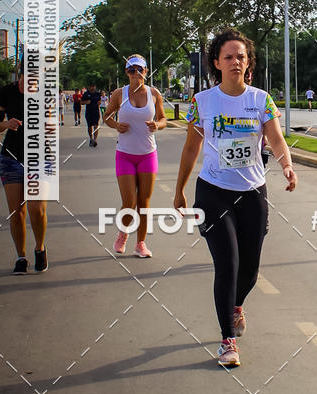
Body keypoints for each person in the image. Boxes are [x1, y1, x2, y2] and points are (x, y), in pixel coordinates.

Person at [174, 28, 297, 367]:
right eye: (228, 57)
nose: (235, 62)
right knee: (227, 265)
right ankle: (227, 341)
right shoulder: (202, 102)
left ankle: (236, 305)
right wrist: (180, 188)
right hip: (213, 192)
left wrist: (286, 165)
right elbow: (191, 148)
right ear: (216, 62)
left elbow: (275, 138)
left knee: (250, 270)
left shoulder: (261, 100)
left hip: (252, 192)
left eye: (240, 56)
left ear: (248, 62)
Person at [103, 55, 167, 258]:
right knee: (129, 201)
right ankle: (123, 233)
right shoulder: (119, 94)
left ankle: (141, 244)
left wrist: (157, 125)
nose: (135, 73)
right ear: (126, 72)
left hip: (148, 154)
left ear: (146, 72)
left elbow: (163, 118)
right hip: (125, 155)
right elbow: (106, 116)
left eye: (139, 69)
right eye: (131, 70)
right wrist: (116, 125)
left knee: (144, 202)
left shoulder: (154, 93)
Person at [0, 57, 49, 274]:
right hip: (10, 158)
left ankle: (40, 248)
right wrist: (6, 123)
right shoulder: (7, 92)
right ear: (21, 71)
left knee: (37, 209)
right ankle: (21, 257)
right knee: (16, 213)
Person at [82, 82, 102, 146]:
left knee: (96, 125)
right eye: (91, 86)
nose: (92, 87)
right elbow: (81, 102)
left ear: (95, 87)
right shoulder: (86, 94)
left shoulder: (97, 94)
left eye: (94, 86)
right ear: (89, 87)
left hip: (96, 112)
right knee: (89, 126)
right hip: (89, 112)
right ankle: (91, 138)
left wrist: (99, 102)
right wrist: (86, 102)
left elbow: (99, 101)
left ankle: (95, 140)